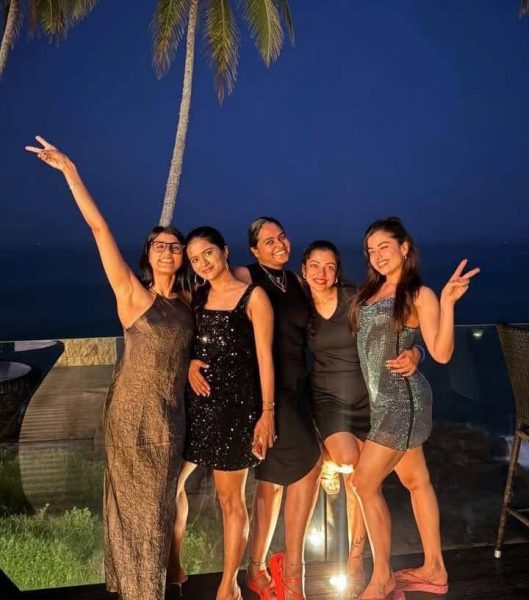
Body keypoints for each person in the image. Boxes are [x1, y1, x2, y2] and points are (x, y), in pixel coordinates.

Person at [25, 136, 194, 600]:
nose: (168, 251)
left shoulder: (187, 302)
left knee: (158, 509)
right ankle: (145, 592)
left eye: (175, 246)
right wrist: (70, 172)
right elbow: (100, 230)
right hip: (132, 417)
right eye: (159, 245)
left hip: (171, 418)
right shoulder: (133, 295)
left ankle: (149, 586)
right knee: (140, 511)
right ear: (147, 254)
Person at [190, 217, 322, 600]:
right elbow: (202, 307)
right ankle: (286, 573)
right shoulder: (247, 277)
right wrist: (188, 362)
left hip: (297, 388)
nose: (278, 244)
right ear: (251, 250)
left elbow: (330, 304)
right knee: (301, 469)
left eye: (281, 237)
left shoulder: (295, 281)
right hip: (264, 393)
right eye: (268, 241)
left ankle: (258, 567)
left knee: (273, 478)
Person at [349, 217, 479, 600]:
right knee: (416, 482)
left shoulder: (419, 294)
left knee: (362, 483)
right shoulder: (371, 291)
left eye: (384, 247)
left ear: (404, 247)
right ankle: (435, 570)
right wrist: (413, 350)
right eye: (371, 250)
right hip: (383, 403)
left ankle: (382, 579)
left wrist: (448, 302)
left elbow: (441, 352)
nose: (377, 256)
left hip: (402, 404)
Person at [301, 240, 420, 598]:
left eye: (329, 266)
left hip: (367, 399)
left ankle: (359, 559)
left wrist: (416, 352)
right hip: (327, 399)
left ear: (338, 271)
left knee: (364, 481)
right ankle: (328, 465)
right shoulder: (299, 305)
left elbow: (401, 326)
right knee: (350, 462)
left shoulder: (356, 298)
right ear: (303, 270)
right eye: (315, 266)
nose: (322, 273)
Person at [168, 226, 276, 600]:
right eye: (195, 259)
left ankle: (228, 584)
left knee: (231, 501)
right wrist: (188, 365)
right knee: (170, 485)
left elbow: (266, 359)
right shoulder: (196, 298)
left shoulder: (253, 296)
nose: (203, 263)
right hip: (196, 410)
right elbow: (178, 341)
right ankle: (174, 565)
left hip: (236, 411)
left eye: (208, 253)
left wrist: (267, 413)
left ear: (225, 251)